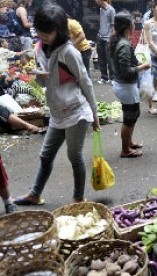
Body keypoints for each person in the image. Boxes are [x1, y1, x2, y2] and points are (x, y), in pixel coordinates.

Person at [14, 4, 100, 205]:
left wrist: (95, 113)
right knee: (45, 155)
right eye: (40, 31)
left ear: (59, 29)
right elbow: (47, 81)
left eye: (48, 32)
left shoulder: (69, 52)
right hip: (56, 113)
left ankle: (78, 198)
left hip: (76, 112)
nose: (43, 35)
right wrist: (39, 76)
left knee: (74, 156)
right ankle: (35, 194)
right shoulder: (42, 49)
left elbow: (85, 81)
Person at [111, 11, 150, 158]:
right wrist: (143, 67)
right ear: (128, 26)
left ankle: (129, 142)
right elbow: (126, 71)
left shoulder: (122, 41)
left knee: (135, 114)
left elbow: (131, 60)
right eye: (132, 22)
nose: (135, 24)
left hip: (125, 85)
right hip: (125, 86)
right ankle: (125, 150)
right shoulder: (123, 45)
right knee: (129, 118)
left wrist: (140, 63)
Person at [95, 0, 115, 84]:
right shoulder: (101, 9)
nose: (95, 1)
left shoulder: (111, 10)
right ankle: (104, 77)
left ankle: (112, 78)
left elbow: (114, 26)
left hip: (108, 38)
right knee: (101, 59)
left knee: (110, 59)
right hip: (100, 36)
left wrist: (112, 39)